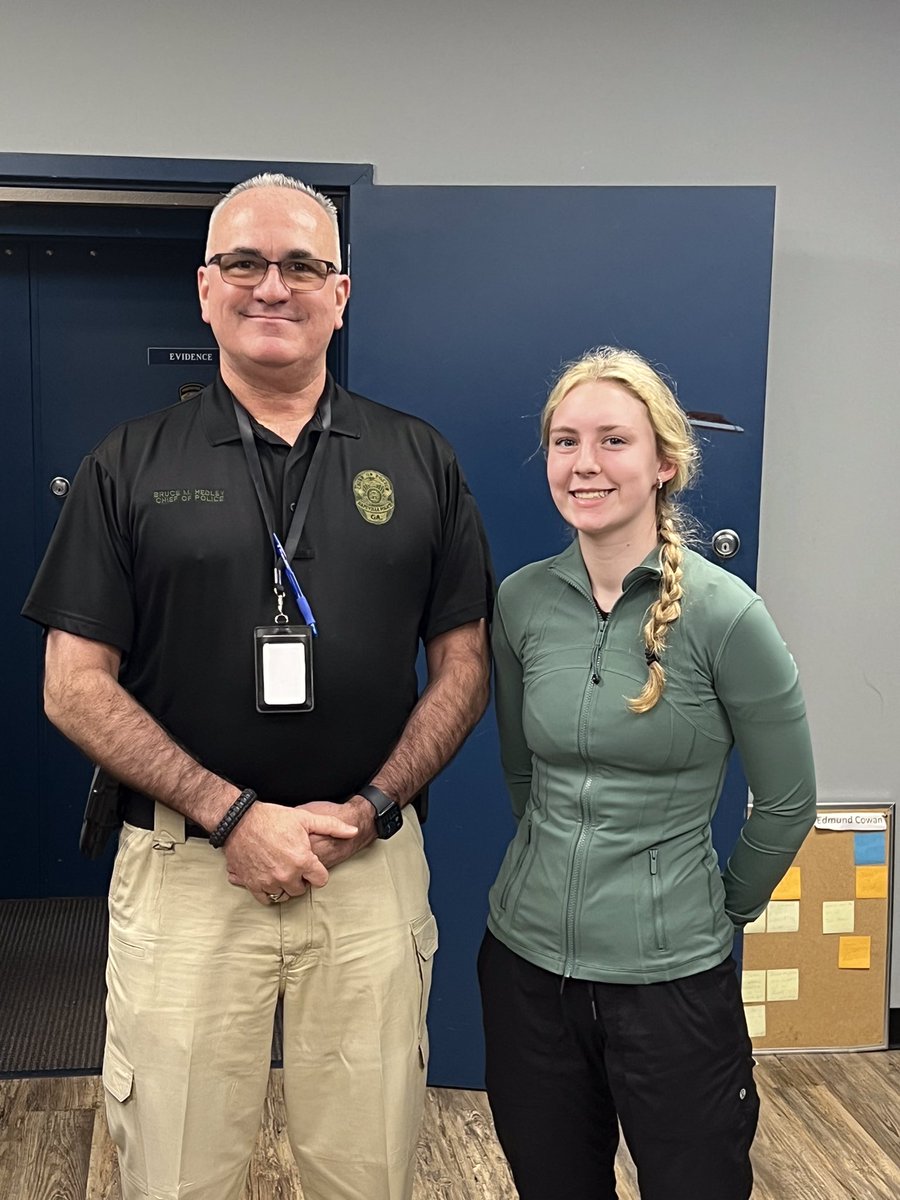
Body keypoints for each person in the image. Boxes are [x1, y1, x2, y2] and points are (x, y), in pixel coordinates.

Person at [23, 173, 491, 1200]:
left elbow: (465, 665)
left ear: (340, 294)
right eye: (244, 262)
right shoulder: (127, 465)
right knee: (178, 1175)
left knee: (367, 1174)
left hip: (365, 871)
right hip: (189, 878)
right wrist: (230, 814)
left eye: (302, 266)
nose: (271, 286)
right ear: (206, 289)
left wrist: (372, 807)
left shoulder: (419, 459)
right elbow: (72, 685)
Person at [478, 347, 816, 1200]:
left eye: (613, 441)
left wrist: (714, 909)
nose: (584, 463)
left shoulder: (727, 615)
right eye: (565, 441)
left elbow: (788, 802)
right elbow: (521, 773)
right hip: (526, 970)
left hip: (672, 986)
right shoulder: (520, 603)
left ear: (664, 463)